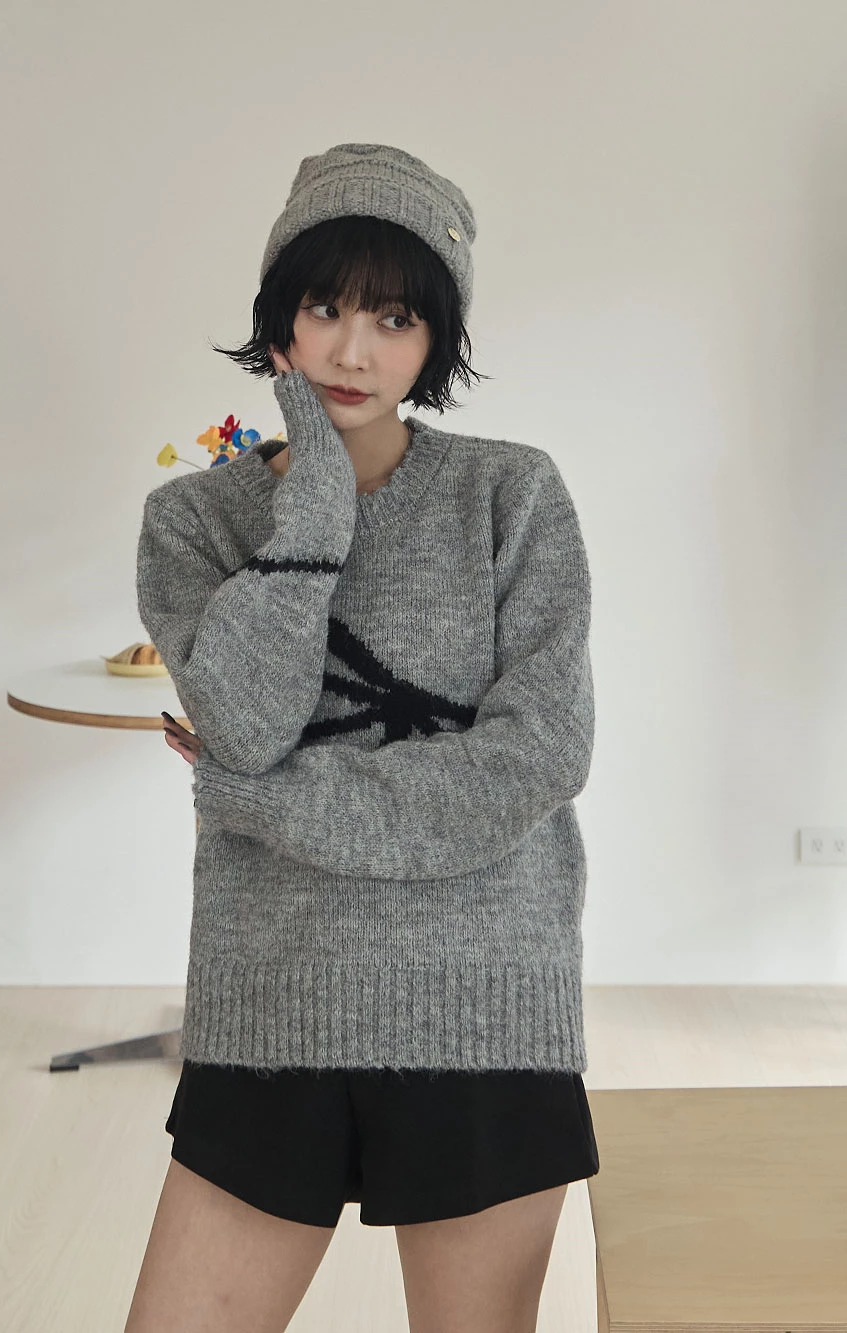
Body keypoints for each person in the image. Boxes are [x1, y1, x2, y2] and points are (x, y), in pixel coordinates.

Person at [128, 142, 599, 1333]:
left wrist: (261, 799)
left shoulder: (512, 494)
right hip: (271, 999)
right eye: (324, 306)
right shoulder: (194, 520)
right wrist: (314, 509)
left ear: (436, 339)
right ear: (278, 317)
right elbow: (247, 720)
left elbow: (537, 756)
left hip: (485, 1004)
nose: (351, 350)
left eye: (394, 318)